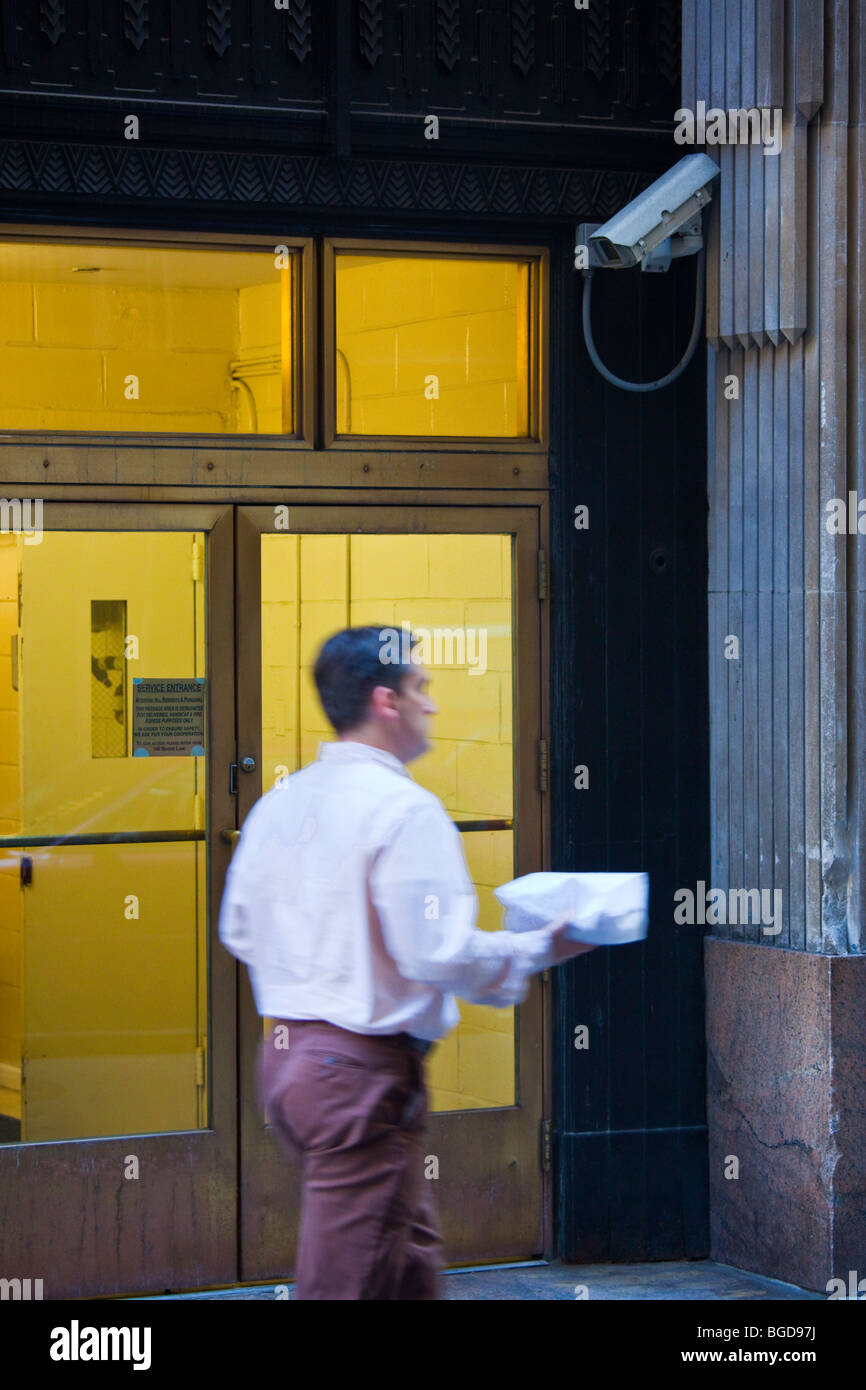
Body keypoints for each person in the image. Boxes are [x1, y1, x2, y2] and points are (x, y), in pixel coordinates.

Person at [218, 625, 595, 1300]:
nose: (434, 704)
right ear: (386, 701)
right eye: (423, 687)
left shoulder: (280, 803)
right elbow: (439, 952)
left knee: (405, 1255)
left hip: (288, 1063)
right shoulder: (404, 811)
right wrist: (540, 946)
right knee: (349, 1280)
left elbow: (240, 929)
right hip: (358, 1075)